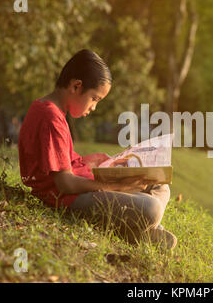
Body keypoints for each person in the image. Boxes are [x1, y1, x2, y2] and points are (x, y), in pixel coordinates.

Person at [18, 49, 177, 250]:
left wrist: (92, 162)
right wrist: (118, 187)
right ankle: (136, 229)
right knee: (152, 208)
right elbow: (65, 183)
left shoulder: (52, 110)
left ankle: (134, 227)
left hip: (79, 183)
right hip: (68, 198)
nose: (94, 107)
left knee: (159, 186)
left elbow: (60, 161)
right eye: (95, 99)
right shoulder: (50, 117)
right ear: (76, 86)